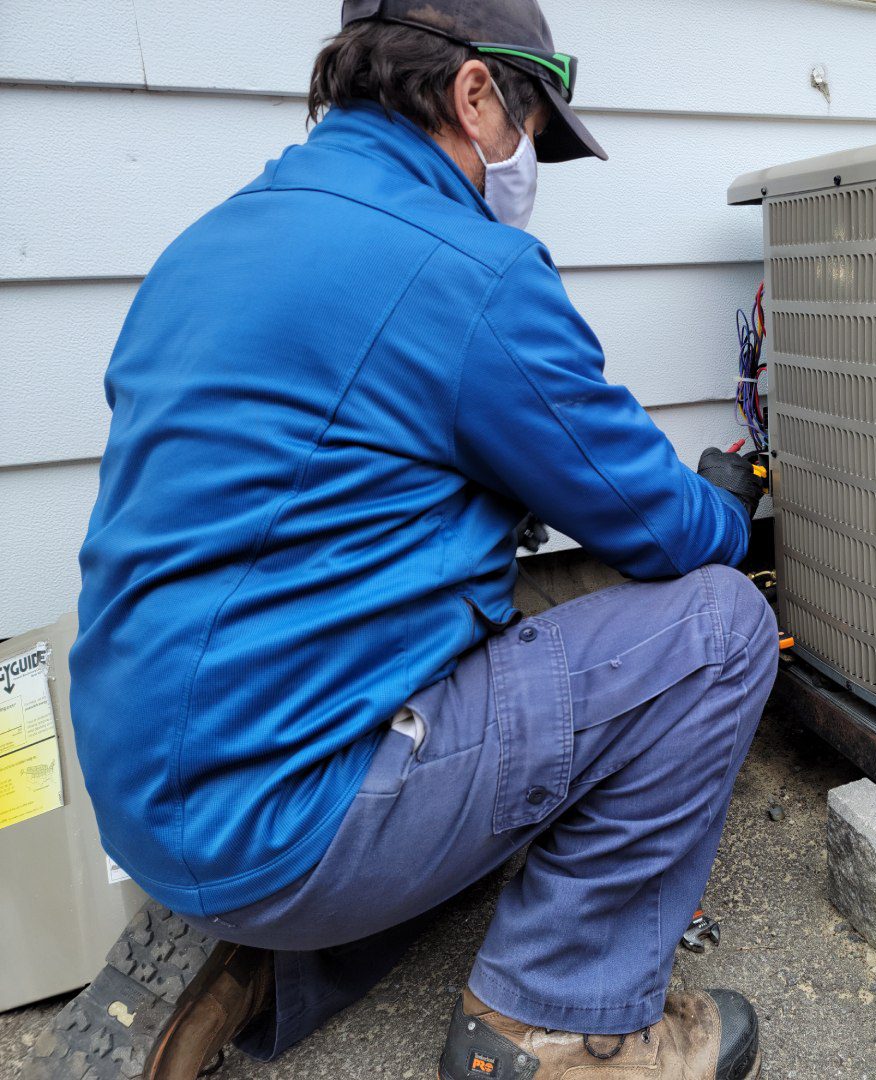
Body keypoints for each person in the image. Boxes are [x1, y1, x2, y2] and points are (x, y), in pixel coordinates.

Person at [27, 3, 775, 1078]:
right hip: (282, 812)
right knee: (719, 628)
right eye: (525, 131)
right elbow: (653, 526)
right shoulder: (469, 273)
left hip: (144, 781)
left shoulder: (211, 240)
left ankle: (268, 956)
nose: (521, 164)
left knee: (519, 631)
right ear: (475, 95)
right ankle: (556, 1026)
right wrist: (725, 509)